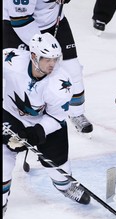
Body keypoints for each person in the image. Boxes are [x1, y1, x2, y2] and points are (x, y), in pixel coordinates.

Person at [2, 33, 91, 217]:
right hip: (10, 115)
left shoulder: (60, 83)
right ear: (34, 56)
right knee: (3, 163)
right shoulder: (11, 60)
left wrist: (36, 134)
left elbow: (57, 117)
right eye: (47, 59)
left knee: (59, 165)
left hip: (45, 122)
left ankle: (65, 187)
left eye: (55, 59)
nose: (53, 64)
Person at [3, 0, 94, 134]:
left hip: (53, 21)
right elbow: (20, 18)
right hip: (19, 24)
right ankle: (15, 115)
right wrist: (43, 47)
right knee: (18, 71)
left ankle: (76, 113)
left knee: (73, 69)